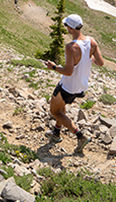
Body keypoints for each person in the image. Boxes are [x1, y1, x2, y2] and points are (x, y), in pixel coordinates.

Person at [44, 14, 104, 153]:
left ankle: (80, 136)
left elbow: (68, 71)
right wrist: (87, 61)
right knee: (61, 107)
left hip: (68, 85)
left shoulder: (71, 47)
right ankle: (56, 132)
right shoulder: (92, 41)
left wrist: (53, 67)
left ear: (70, 28)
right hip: (81, 86)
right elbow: (100, 62)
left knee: (55, 111)